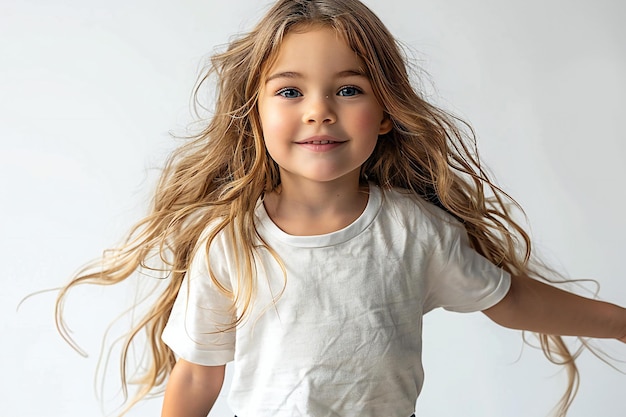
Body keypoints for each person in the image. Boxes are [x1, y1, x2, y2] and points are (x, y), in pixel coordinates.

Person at [54, 0, 626, 416]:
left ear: (385, 113)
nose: (319, 111)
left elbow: (507, 299)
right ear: (255, 116)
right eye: (289, 91)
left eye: (348, 89)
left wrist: (619, 324)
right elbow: (198, 378)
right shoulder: (229, 242)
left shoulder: (414, 229)